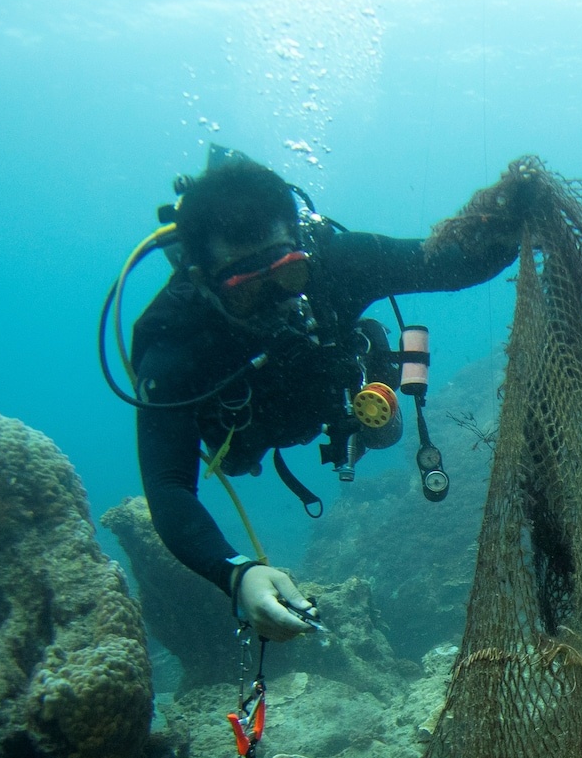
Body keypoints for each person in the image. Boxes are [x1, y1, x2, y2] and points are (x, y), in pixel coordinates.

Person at [131, 153, 536, 641]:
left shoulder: (337, 263)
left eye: (288, 274)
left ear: (302, 248)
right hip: (246, 430)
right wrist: (237, 573)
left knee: (369, 353)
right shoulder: (173, 344)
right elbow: (169, 486)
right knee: (236, 454)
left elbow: (455, 264)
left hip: (330, 392)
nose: (277, 302)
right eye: (245, 289)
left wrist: (519, 216)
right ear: (201, 281)